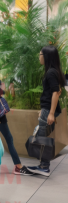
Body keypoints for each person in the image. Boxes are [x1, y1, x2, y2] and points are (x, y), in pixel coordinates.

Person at [27, 46, 65, 176]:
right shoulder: (53, 71)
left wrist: (50, 113)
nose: (39, 57)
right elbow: (55, 92)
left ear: (46, 56)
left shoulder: (51, 72)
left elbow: (55, 92)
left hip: (49, 110)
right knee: (40, 136)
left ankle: (44, 166)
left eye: (40, 54)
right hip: (47, 109)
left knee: (41, 138)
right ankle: (43, 165)